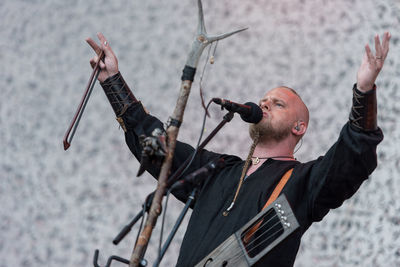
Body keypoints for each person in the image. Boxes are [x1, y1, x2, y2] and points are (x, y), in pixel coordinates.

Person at [86, 32, 391, 266]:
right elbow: (157, 150)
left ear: (299, 128)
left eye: (278, 103)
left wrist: (364, 91)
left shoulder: (303, 183)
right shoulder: (217, 170)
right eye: (264, 100)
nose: (265, 103)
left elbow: (350, 159)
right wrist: (112, 81)